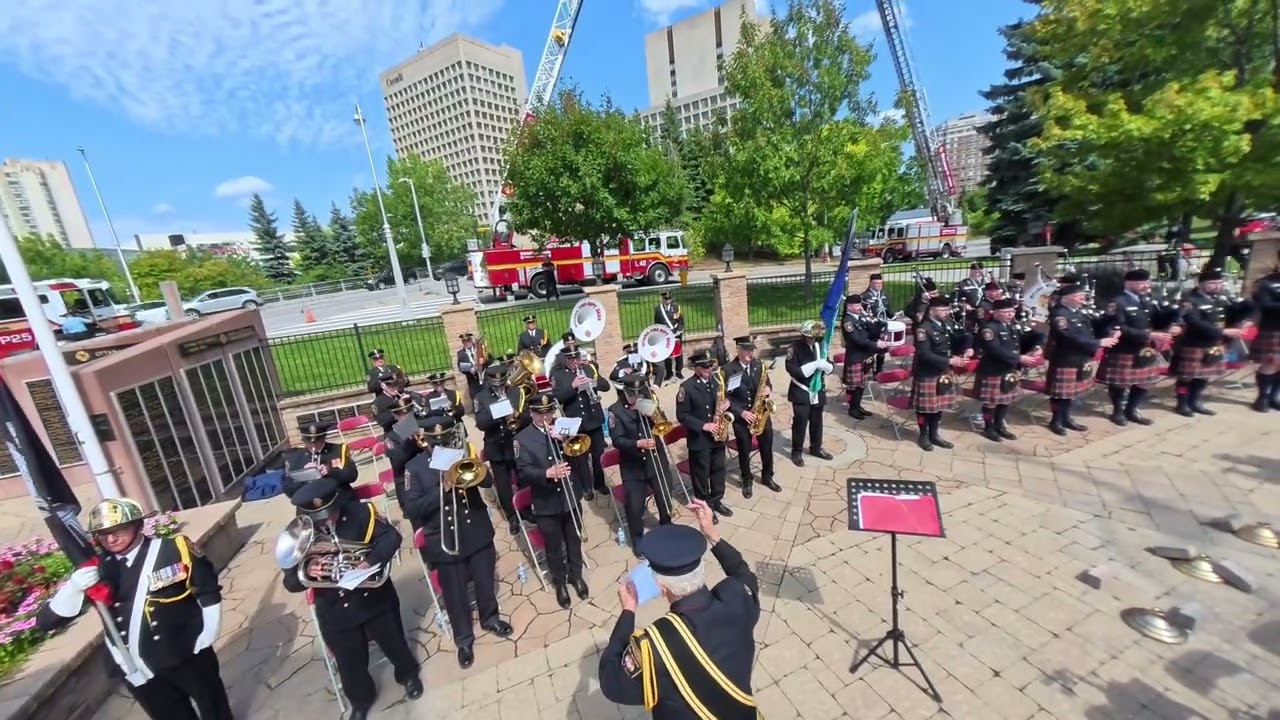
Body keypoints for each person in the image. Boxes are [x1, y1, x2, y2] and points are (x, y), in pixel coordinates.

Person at [36, 499, 232, 720]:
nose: (111, 539)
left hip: (185, 650)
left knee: (213, 707)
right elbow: (46, 623)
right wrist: (72, 588)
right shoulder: (96, 569)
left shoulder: (172, 548)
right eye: (102, 533)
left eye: (118, 530)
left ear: (138, 525)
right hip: (138, 666)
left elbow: (207, 587)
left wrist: (210, 629)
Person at [598, 502, 762, 719]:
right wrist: (714, 536)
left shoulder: (654, 645)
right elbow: (744, 574)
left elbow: (612, 683)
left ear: (662, 588)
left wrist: (628, 611)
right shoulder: (737, 597)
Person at [280, 478, 422, 719]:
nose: (327, 521)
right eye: (320, 518)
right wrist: (310, 569)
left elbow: (391, 538)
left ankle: (408, 675)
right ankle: (360, 699)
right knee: (349, 662)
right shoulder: (300, 533)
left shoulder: (360, 512)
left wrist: (367, 562)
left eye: (330, 514)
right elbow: (290, 582)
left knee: (395, 643)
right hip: (335, 610)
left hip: (374, 598)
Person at [400, 415, 513, 669]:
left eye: (445, 440)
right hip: (444, 538)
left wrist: (471, 463)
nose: (441, 446)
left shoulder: (461, 453)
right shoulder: (414, 468)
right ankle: (463, 638)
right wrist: (444, 486)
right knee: (455, 594)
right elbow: (412, 509)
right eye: (435, 443)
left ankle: (490, 617)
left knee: (485, 580)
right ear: (426, 442)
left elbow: (486, 480)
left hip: (476, 530)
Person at [514, 393, 589, 609]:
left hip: (569, 494)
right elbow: (523, 472)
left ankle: (577, 576)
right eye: (540, 413)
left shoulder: (562, 426)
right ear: (532, 413)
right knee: (554, 546)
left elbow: (579, 454)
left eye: (549, 412)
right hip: (546, 501)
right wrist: (547, 473)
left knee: (574, 538)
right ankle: (560, 583)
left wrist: (565, 441)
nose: (546, 417)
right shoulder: (522, 439)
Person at [608, 373, 676, 555]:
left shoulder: (648, 400)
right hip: (633, 465)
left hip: (655, 458)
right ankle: (637, 538)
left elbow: (663, 422)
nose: (637, 398)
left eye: (640, 394)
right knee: (635, 505)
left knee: (664, 493)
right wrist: (637, 444)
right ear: (625, 392)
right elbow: (617, 440)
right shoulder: (615, 410)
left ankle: (666, 523)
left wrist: (655, 414)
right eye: (633, 395)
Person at [1096, 269, 1175, 425]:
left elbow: (1157, 320)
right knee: (1119, 383)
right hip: (1124, 349)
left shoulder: (1148, 300)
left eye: (1147, 282)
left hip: (1146, 350)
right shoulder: (1117, 302)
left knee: (1144, 382)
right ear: (1128, 283)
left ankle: (1132, 410)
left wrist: (1171, 323)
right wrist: (1149, 335)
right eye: (1142, 282)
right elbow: (1119, 327)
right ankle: (1117, 412)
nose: (1146, 285)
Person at [1170, 270, 1245, 416]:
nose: (1217, 286)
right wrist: (1222, 332)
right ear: (1200, 284)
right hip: (1193, 344)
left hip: (1214, 344)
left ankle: (1195, 402)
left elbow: (1237, 312)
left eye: (1219, 283)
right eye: (1212, 283)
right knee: (1185, 378)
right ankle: (1182, 404)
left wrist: (1246, 319)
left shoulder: (1222, 298)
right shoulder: (1190, 300)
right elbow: (1194, 322)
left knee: (1204, 377)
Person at [1045, 284, 1117, 434]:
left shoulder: (1079, 312)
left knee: (1069, 393)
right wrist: (1098, 343)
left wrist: (1110, 318)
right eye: (1078, 296)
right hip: (1065, 359)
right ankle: (1056, 420)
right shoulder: (1059, 315)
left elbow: (1094, 327)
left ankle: (1066, 418)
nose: (1082, 298)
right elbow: (1069, 337)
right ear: (1065, 299)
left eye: (1082, 295)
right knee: (1060, 394)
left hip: (1080, 358)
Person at [472, 363, 528, 535]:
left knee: (523, 478)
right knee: (503, 486)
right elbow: (481, 424)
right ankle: (512, 516)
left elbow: (527, 417)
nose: (500, 388)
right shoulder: (480, 397)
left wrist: (518, 415)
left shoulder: (516, 392)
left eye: (502, 384)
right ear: (490, 382)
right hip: (496, 445)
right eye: (496, 386)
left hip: (516, 443)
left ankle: (526, 509)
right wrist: (498, 412)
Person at [675, 350, 732, 520]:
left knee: (718, 470)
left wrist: (727, 402)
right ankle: (705, 506)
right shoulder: (687, 387)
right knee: (701, 475)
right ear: (696, 367)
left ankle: (716, 500)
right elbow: (682, 416)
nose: (709, 368)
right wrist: (704, 425)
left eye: (711, 365)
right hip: (700, 439)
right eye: (705, 366)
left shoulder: (716, 381)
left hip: (718, 435)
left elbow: (725, 397)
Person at [973, 298, 1040, 442]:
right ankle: (988, 428)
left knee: (1005, 401)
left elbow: (1020, 342)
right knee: (991, 402)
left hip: (1009, 370)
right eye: (1006, 312)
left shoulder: (1011, 325)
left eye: (1012, 311)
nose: (1010, 314)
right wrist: (1019, 358)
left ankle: (1000, 426)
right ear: (995, 312)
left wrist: (1036, 346)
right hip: (993, 370)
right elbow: (994, 349)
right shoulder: (989, 328)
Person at [550, 348, 611, 499]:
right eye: (571, 360)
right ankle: (586, 487)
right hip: (575, 421)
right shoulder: (557, 374)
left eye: (576, 359)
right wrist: (573, 386)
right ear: (565, 360)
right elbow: (557, 398)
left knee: (598, 454)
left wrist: (593, 381)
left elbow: (606, 386)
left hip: (594, 418)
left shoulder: (588, 368)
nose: (575, 362)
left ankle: (599, 483)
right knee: (580, 457)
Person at [912, 297, 971, 451]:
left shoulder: (948, 324)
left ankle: (934, 434)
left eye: (947, 309)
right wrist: (950, 361)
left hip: (944, 372)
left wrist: (967, 348)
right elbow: (924, 354)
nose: (947, 312)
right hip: (928, 373)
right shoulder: (923, 329)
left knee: (938, 407)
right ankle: (923, 435)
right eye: (943, 310)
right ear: (932, 310)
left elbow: (960, 338)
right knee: (925, 408)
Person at [723, 336, 779, 497]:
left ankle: (768, 476)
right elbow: (725, 397)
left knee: (766, 447)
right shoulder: (728, 369)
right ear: (738, 349)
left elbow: (767, 382)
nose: (750, 352)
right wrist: (742, 412)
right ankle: (746, 479)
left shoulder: (758, 365)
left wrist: (768, 388)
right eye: (747, 349)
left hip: (761, 413)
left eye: (752, 349)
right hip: (742, 418)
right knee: (744, 450)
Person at [784, 320, 835, 466]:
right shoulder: (794, 348)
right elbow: (793, 371)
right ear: (803, 335)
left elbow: (829, 365)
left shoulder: (820, 346)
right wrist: (814, 365)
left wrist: (827, 366)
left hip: (817, 390)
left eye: (814, 336)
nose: (812, 339)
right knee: (800, 423)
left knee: (817, 422)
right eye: (809, 336)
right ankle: (797, 452)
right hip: (801, 391)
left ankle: (816, 448)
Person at [282, 421, 359, 499]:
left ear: (324, 437)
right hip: (310, 503)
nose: (313, 445)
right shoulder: (295, 457)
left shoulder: (338, 450)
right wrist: (305, 476)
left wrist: (330, 471)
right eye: (309, 441)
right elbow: (288, 490)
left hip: (338, 499)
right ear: (303, 439)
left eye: (317, 441)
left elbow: (352, 475)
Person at [841, 294, 888, 419]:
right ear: (849, 307)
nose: (859, 307)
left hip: (866, 355)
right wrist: (875, 344)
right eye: (856, 305)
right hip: (855, 356)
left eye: (859, 304)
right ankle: (852, 408)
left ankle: (858, 406)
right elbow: (856, 340)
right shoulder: (848, 321)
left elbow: (874, 327)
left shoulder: (861, 317)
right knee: (853, 385)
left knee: (862, 383)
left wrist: (867, 315)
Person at [1250, 250, 1280, 411]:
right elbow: (1264, 305)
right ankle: (1262, 397)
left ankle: (1275, 397)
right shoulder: (1267, 283)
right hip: (1272, 328)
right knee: (1271, 363)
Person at [862, 273, 892, 374]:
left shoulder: (884, 295)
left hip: (883, 327)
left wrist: (893, 316)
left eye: (880, 283)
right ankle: (868, 370)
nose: (879, 285)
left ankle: (879, 371)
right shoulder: (864, 297)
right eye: (876, 283)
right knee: (870, 350)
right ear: (870, 284)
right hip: (871, 328)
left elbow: (888, 310)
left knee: (882, 350)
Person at [655, 291, 686, 379]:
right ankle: (669, 372)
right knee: (667, 354)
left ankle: (678, 371)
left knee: (678, 353)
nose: (668, 300)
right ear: (662, 299)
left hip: (676, 333)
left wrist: (679, 330)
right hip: (665, 335)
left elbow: (681, 321)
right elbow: (657, 323)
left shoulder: (676, 308)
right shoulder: (658, 309)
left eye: (669, 298)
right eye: (666, 299)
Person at [456, 332, 487, 403]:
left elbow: (490, 360)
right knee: (476, 401)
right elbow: (461, 367)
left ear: (471, 340)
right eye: (464, 341)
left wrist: (484, 361)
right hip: (473, 381)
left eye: (468, 340)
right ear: (462, 342)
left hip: (484, 379)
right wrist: (470, 369)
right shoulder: (460, 354)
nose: (467, 343)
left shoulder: (480, 349)